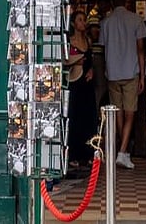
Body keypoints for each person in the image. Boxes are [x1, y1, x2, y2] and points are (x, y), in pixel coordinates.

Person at [99, 0, 146, 169]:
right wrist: (143, 75)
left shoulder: (106, 22)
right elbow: (141, 50)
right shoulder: (136, 20)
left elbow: (103, 49)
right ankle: (123, 152)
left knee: (117, 112)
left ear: (111, 1)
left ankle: (123, 151)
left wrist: (106, 69)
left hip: (112, 72)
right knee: (130, 113)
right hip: (130, 71)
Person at [65, 10, 98, 177]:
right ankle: (74, 155)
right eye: (79, 20)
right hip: (75, 82)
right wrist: (78, 60)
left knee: (88, 118)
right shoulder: (69, 42)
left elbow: (91, 60)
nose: (83, 23)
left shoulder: (88, 41)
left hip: (87, 83)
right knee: (75, 118)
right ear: (73, 24)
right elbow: (65, 62)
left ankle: (88, 154)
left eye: (84, 20)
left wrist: (91, 69)